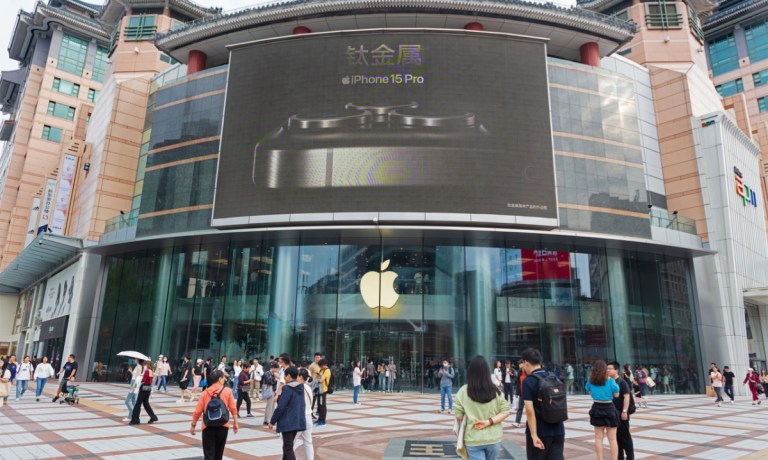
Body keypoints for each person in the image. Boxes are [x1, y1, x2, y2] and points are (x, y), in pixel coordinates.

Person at [454, 355, 510, 460]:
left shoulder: (463, 391)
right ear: (487, 372)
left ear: (470, 372)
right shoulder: (496, 390)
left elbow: (459, 416)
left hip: (473, 438)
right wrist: (489, 421)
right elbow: (505, 411)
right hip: (493, 438)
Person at [521, 348, 565, 460]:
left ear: (526, 362)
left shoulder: (528, 381)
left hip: (540, 431)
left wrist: (534, 435)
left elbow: (529, 411)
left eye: (522, 363)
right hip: (558, 429)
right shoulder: (553, 377)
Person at [191, 370, 239, 460]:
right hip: (223, 425)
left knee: (209, 454)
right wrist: (236, 422)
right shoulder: (227, 391)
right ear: (219, 379)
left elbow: (197, 411)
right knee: (218, 454)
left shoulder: (205, 393)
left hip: (208, 426)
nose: (224, 379)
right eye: (223, 378)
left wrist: (193, 425)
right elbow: (233, 408)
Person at [269, 366, 307, 460]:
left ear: (289, 376)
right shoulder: (301, 387)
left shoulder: (287, 388)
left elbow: (281, 407)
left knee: (288, 447)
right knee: (287, 446)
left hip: (288, 422)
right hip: (297, 420)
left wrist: (272, 421)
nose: (284, 378)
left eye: (285, 376)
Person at [586, 361, 620, 460]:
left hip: (596, 408)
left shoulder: (591, 380)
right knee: (613, 439)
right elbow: (616, 395)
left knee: (598, 438)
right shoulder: (610, 381)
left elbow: (589, 390)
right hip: (609, 407)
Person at [607, 361, 633, 460]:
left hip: (622, 413)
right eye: (607, 369)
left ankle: (630, 457)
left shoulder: (622, 382)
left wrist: (624, 411)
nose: (607, 370)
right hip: (612, 414)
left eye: (610, 368)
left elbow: (627, 397)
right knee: (616, 438)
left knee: (625, 437)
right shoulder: (609, 382)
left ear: (616, 370)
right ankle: (619, 457)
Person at [129, 359, 159, 425]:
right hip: (148, 388)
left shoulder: (147, 371)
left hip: (143, 388)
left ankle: (135, 420)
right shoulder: (151, 371)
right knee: (146, 404)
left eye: (145, 364)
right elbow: (150, 381)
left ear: (146, 365)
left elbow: (143, 380)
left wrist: (138, 384)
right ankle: (153, 417)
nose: (144, 366)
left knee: (138, 404)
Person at [296, 369, 315, 460]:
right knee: (308, 443)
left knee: (289, 443)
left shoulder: (298, 388)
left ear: (300, 377)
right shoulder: (308, 388)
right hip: (308, 417)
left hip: (299, 418)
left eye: (297, 375)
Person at [315, 359, 331, 426]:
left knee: (322, 405)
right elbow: (317, 378)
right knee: (319, 405)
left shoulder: (327, 371)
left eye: (321, 366)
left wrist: (319, 377)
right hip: (319, 389)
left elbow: (321, 380)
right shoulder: (321, 370)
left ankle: (323, 420)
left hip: (323, 390)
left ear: (324, 365)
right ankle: (319, 419)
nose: (320, 368)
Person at [513, 362, 527, 428]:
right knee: (520, 408)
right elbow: (518, 383)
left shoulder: (528, 372)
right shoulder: (520, 372)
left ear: (524, 364)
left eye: (520, 363)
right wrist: (517, 393)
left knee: (530, 409)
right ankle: (517, 422)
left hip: (528, 394)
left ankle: (532, 422)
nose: (519, 365)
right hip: (522, 393)